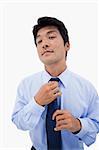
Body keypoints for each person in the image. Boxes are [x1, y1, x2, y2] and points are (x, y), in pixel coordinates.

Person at [12, 16, 99, 150]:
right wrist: (37, 103)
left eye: (51, 37)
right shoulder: (26, 85)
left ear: (67, 45)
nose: (44, 44)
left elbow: (96, 124)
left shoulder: (87, 88)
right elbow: (18, 122)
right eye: (39, 41)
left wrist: (78, 125)